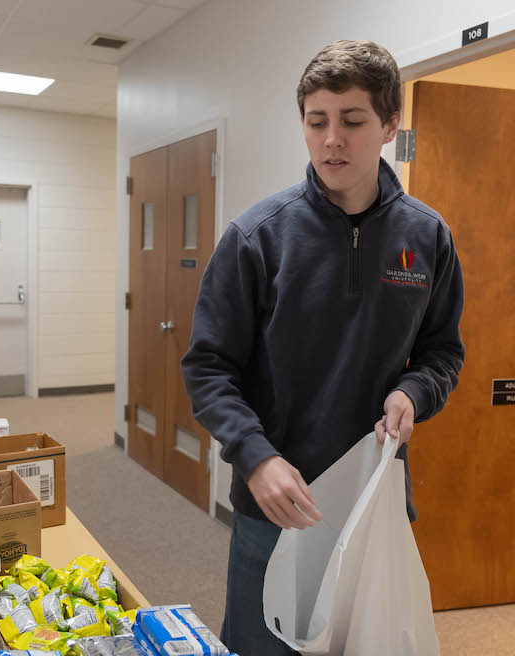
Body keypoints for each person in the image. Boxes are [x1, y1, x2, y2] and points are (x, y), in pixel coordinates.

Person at [181, 40, 464, 655]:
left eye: (353, 121)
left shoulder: (427, 237)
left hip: (373, 503)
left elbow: (444, 352)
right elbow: (208, 367)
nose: (332, 139)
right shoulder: (258, 238)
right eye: (317, 122)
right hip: (277, 507)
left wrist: (413, 393)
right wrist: (255, 458)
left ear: (390, 125)